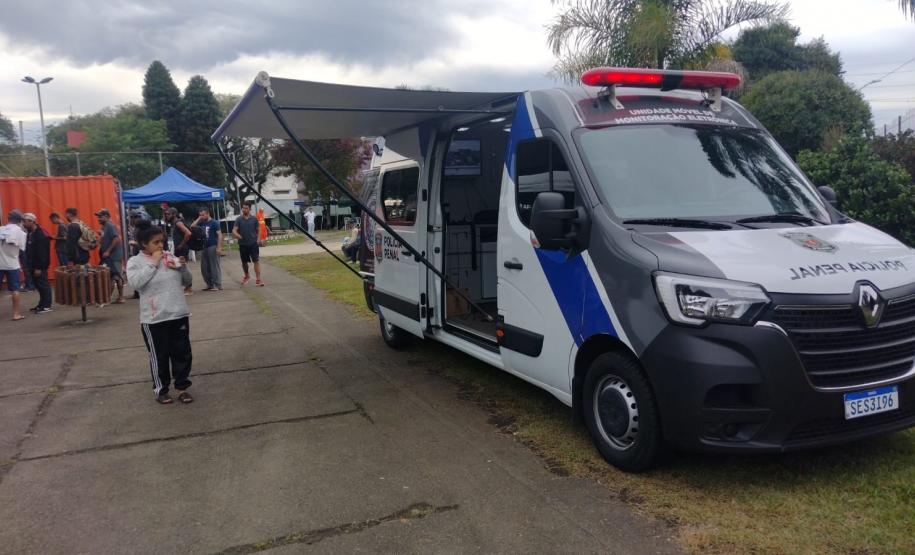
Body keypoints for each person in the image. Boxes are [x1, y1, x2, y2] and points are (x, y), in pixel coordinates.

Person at [127, 220, 195, 405]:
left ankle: (182, 387)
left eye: (162, 241)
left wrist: (182, 267)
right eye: (155, 242)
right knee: (159, 356)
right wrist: (153, 263)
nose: (161, 246)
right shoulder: (135, 262)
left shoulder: (169, 256)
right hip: (154, 319)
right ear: (144, 244)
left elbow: (187, 281)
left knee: (182, 354)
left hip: (178, 314)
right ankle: (161, 390)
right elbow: (136, 284)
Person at [22, 213, 53, 313]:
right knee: (38, 286)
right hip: (32, 264)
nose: (23, 224)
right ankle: (41, 304)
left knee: (43, 285)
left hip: (39, 266)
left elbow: (42, 252)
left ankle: (47, 306)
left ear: (32, 221)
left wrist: (39, 267)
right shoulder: (31, 233)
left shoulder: (40, 234)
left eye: (25, 221)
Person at [0, 210, 27, 321]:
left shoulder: (1, 229)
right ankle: (16, 314)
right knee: (15, 289)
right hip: (12, 264)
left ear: (8, 219)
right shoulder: (21, 232)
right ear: (20, 220)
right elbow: (22, 249)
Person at [96, 208, 125, 304]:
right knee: (115, 276)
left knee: (115, 276)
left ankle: (109, 298)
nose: (98, 219)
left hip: (114, 256)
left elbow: (116, 239)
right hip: (111, 256)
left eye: (100, 217)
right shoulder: (105, 227)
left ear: (106, 216)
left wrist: (108, 251)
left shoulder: (110, 225)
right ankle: (118, 297)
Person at [232, 201, 264, 286]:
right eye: (243, 208)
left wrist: (258, 239)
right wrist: (237, 235)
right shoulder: (239, 219)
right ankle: (247, 276)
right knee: (244, 262)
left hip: (253, 244)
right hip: (243, 244)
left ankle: (258, 279)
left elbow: (259, 230)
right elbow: (234, 230)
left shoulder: (254, 219)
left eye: (246, 208)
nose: (244, 210)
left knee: (256, 261)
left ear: (250, 209)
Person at [191, 207, 222, 291]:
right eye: (200, 215)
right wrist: (199, 218)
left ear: (208, 213)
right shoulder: (202, 222)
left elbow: (219, 235)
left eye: (203, 215)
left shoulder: (214, 223)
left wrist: (219, 247)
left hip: (212, 246)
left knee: (214, 266)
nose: (202, 216)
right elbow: (192, 226)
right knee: (204, 268)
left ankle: (217, 284)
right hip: (204, 247)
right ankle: (209, 284)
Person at [165, 208, 193, 294]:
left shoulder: (178, 223)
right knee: (179, 268)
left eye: (168, 214)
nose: (166, 216)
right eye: (166, 214)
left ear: (174, 214)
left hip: (182, 249)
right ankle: (186, 286)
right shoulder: (174, 223)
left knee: (183, 268)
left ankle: (189, 288)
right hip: (179, 249)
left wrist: (181, 244)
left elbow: (188, 233)